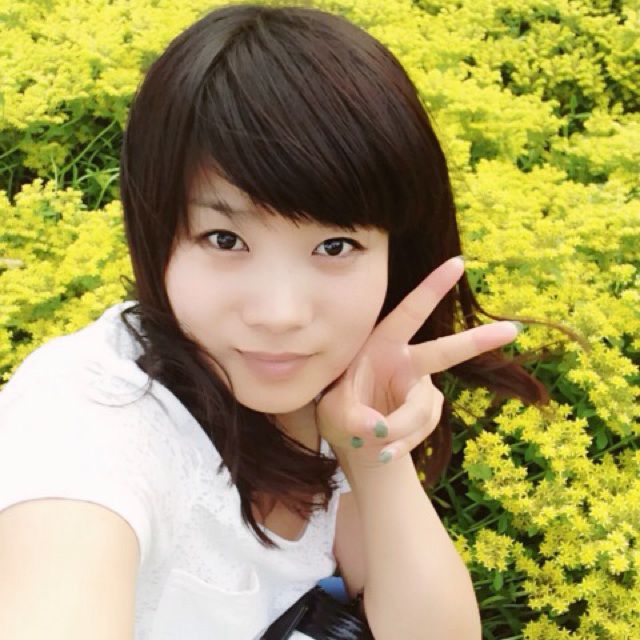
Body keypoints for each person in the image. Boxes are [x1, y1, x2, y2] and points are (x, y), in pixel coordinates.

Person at [0, 4, 577, 639]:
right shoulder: (87, 416)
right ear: (157, 234)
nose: (279, 315)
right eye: (224, 239)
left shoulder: (330, 390)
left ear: (396, 253)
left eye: (334, 246)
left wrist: (372, 457)